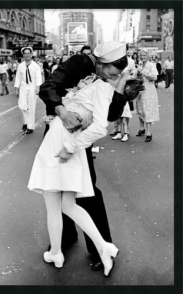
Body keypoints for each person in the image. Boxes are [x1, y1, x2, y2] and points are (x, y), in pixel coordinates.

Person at [28, 42, 136, 276]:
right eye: (110, 72)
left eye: (116, 74)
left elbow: (108, 117)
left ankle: (99, 248)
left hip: (78, 139)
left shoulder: (109, 82)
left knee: (86, 193)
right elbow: (48, 87)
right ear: (99, 62)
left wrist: (121, 93)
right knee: (59, 193)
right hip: (60, 130)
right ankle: (65, 240)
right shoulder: (80, 63)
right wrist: (62, 111)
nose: (111, 76)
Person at [14, 47, 42, 134]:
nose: (27, 55)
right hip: (23, 88)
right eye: (25, 53)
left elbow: (38, 78)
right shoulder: (20, 66)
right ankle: (25, 122)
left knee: (31, 107)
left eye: (28, 53)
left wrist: (38, 88)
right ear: (23, 55)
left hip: (32, 88)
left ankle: (30, 126)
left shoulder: (35, 66)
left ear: (31, 54)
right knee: (22, 106)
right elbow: (18, 78)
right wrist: (16, 89)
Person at [135, 50, 159, 142]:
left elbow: (155, 77)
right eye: (140, 55)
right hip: (140, 89)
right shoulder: (140, 64)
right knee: (140, 109)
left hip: (149, 90)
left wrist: (144, 73)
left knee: (148, 110)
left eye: (144, 55)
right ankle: (142, 129)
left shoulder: (151, 65)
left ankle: (149, 133)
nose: (142, 56)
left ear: (148, 56)